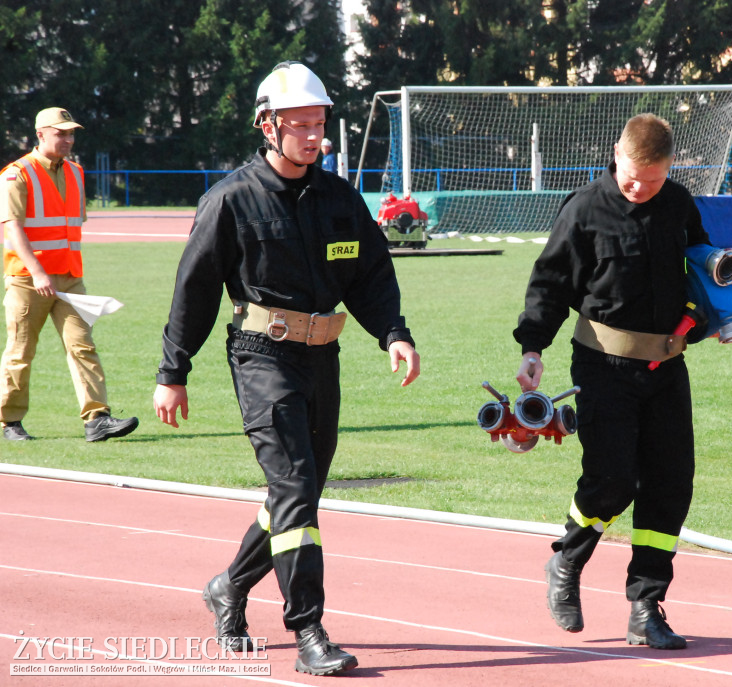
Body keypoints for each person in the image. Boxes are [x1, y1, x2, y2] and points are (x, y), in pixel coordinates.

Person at [152, 62, 420, 676]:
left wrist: (394, 334)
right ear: (267, 126)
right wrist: (174, 371)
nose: (311, 136)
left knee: (296, 493)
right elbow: (193, 292)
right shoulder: (231, 199)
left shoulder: (339, 199)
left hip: (322, 357)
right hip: (261, 357)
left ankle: (228, 585)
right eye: (298, 125)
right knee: (298, 486)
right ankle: (309, 630)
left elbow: (372, 276)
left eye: (318, 124)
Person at [513, 113, 710, 650]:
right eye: (632, 176)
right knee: (614, 479)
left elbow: (702, 267)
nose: (641, 188)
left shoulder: (679, 205)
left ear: (668, 169)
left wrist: (718, 320)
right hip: (602, 366)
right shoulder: (585, 208)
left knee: (671, 483)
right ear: (617, 154)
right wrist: (533, 347)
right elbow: (550, 284)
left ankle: (646, 606)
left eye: (653, 179)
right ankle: (567, 561)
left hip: (666, 368)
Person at [1, 107, 139, 442]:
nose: (68, 139)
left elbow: (68, 228)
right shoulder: (16, 174)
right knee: (20, 351)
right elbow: (12, 228)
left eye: (71, 133)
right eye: (61, 133)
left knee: (83, 346)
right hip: (27, 280)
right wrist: (38, 272)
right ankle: (9, 423)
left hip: (69, 278)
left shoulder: (76, 172)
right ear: (41, 135)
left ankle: (97, 419)